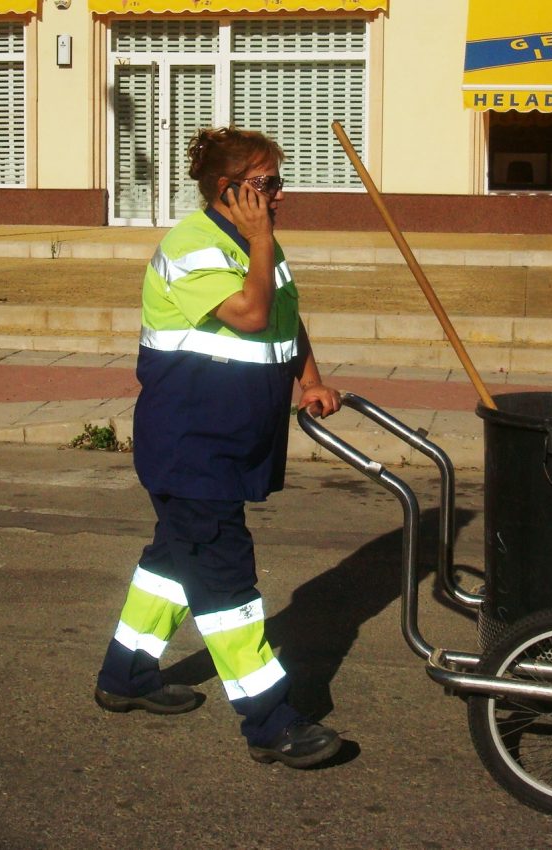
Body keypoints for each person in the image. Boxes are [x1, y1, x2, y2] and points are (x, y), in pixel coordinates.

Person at [94, 127, 343, 770]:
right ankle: (269, 720)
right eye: (267, 184)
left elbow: (286, 314)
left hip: (229, 441)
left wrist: (309, 378)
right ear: (229, 189)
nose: (279, 196)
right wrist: (261, 241)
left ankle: (125, 676)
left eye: (278, 182)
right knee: (225, 580)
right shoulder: (193, 246)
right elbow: (253, 315)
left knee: (173, 562)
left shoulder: (256, 244)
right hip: (191, 443)